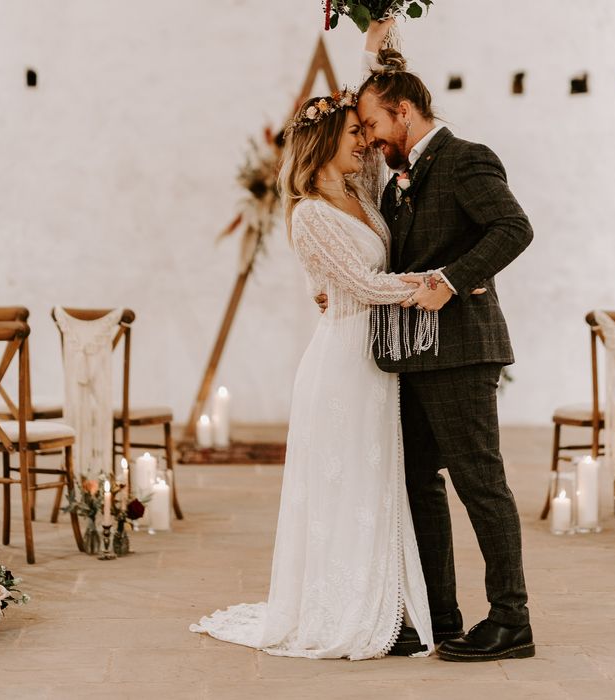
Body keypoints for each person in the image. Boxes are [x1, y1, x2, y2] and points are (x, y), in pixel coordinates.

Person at [190, 82, 448, 659]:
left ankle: (389, 602)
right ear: (326, 140)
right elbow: (359, 284)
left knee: (378, 482)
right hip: (342, 365)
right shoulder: (308, 214)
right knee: (348, 484)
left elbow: (383, 95)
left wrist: (381, 40)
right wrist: (434, 285)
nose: (366, 140)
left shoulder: (364, 191)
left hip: (376, 359)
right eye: (354, 133)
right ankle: (345, 609)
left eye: (363, 129)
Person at [351, 19, 536, 662]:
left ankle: (512, 621)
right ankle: (442, 617)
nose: (370, 141)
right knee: (418, 484)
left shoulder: (465, 159)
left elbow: (513, 228)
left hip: (461, 352)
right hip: (411, 355)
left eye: (374, 126)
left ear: (403, 112)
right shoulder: (400, 178)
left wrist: (455, 281)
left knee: (479, 483)